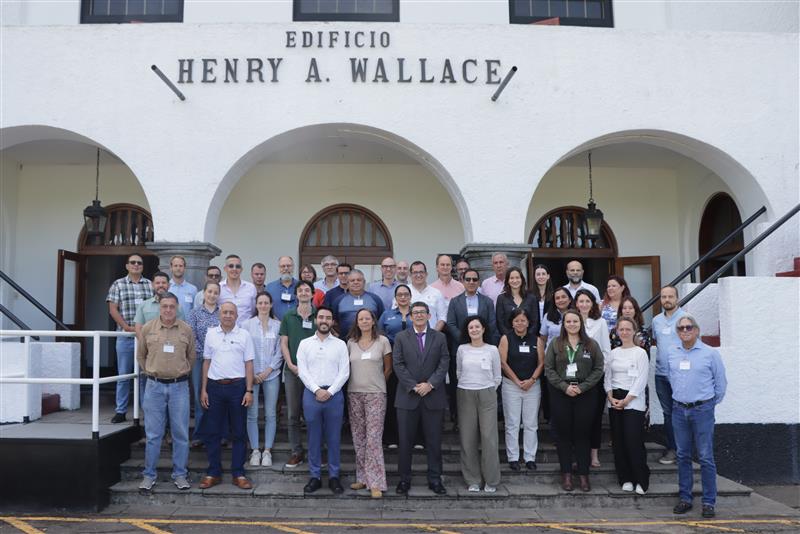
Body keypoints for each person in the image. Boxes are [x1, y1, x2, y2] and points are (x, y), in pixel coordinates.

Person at [670, 315, 727, 519]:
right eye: (681, 328)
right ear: (677, 332)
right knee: (682, 455)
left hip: (702, 410)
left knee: (705, 457)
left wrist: (707, 405)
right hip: (679, 410)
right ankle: (685, 498)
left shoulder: (710, 353)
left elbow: (720, 384)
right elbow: (671, 379)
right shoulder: (673, 353)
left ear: (696, 330)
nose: (685, 330)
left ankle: (708, 502)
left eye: (689, 327)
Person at [136, 293, 194, 491]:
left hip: (179, 387)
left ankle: (180, 475)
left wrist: (179, 372)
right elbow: (141, 356)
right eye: (164, 306)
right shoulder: (147, 328)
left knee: (181, 433)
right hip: (154, 387)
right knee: (153, 434)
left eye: (171, 306)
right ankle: (149, 475)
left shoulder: (186, 330)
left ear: (177, 308)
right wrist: (151, 371)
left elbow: (191, 357)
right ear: (159, 308)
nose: (168, 310)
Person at [393, 301, 450, 496]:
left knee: (434, 441)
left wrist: (430, 384)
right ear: (410, 317)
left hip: (433, 396)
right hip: (407, 396)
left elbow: (444, 362)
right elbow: (398, 364)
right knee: (405, 441)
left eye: (422, 312)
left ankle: (435, 479)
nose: (418, 315)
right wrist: (413, 385)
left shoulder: (440, 337)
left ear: (429, 315)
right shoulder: (401, 337)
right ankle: (404, 480)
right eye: (415, 312)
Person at [545, 309, 604, 492]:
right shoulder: (555, 344)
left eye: (575, 321)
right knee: (563, 435)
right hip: (561, 393)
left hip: (585, 394)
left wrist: (582, 387)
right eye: (568, 322)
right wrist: (565, 387)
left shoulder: (591, 344)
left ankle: (584, 475)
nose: (572, 324)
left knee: (582, 434)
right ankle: (567, 475)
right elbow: (549, 369)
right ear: (564, 324)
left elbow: (598, 369)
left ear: (581, 323)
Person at [198, 302, 254, 490]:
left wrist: (249, 390)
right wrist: (204, 389)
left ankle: (238, 473)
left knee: (239, 432)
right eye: (225, 312)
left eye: (231, 312)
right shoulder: (211, 334)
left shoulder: (244, 335)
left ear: (237, 316)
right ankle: (213, 472)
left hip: (238, 387)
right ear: (219, 315)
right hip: (214, 387)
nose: (228, 315)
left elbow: (249, 364)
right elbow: (206, 362)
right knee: (213, 432)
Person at [296, 306, 350, 494]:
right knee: (313, 437)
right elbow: (302, 371)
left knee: (334, 437)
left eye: (328, 318)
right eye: (321, 317)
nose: (324, 320)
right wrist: (317, 390)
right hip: (312, 394)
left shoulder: (340, 344)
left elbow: (345, 372)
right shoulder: (304, 344)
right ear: (315, 320)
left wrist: (331, 391)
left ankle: (334, 476)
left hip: (334, 395)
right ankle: (315, 476)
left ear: (332, 321)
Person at [346, 309, 392, 498]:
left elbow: (388, 368)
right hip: (354, 393)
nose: (364, 321)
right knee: (359, 437)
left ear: (373, 321)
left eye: (367, 318)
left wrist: (378, 384)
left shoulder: (383, 341)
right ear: (357, 322)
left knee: (373, 439)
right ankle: (363, 477)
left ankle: (376, 483)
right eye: (361, 319)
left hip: (376, 394)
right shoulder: (350, 343)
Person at [446, 269, 497, 428]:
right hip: (460, 349)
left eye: (474, 279)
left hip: (483, 348)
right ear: (462, 281)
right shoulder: (455, 302)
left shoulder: (487, 302)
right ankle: (458, 419)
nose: (471, 282)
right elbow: (451, 324)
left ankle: (484, 419)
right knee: (458, 383)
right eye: (468, 279)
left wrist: (478, 339)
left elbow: (491, 323)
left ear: (478, 282)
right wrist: (465, 339)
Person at [604, 317, 650, 496]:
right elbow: (607, 377)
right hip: (614, 400)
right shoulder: (613, 353)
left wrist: (627, 400)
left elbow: (641, 379)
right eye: (621, 329)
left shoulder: (640, 353)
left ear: (634, 331)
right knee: (619, 442)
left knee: (633, 441)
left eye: (628, 329)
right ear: (617, 331)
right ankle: (625, 478)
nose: (624, 332)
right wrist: (610, 397)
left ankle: (641, 479)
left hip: (633, 402)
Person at [456, 316, 502, 492]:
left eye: (477, 327)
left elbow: (497, 376)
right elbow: (459, 372)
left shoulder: (492, 349)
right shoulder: (462, 349)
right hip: (465, 392)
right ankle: (472, 479)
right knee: (468, 437)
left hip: (487, 393)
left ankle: (491, 479)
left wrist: (487, 389)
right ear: (467, 331)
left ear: (483, 329)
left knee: (489, 438)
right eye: (471, 327)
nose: (474, 330)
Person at [107, 254, 153, 423]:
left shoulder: (150, 285)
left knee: (144, 376)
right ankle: (121, 411)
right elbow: (113, 309)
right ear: (127, 266)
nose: (136, 265)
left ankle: (146, 411)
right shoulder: (118, 284)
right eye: (132, 262)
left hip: (145, 338)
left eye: (139, 263)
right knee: (124, 375)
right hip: (125, 336)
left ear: (142, 266)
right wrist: (126, 327)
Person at [499, 308, 543, 472]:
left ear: (528, 322)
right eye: (516, 320)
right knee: (512, 423)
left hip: (532, 386)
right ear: (512, 323)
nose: (520, 323)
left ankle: (530, 457)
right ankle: (513, 457)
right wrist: (517, 381)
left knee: (531, 423)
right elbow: (503, 363)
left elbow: (541, 363)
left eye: (523, 320)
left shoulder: (536, 340)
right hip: (511, 385)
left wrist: (532, 380)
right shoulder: (506, 338)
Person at [279, 281, 317, 468]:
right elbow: (284, 343)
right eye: (300, 290)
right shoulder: (288, 316)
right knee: (293, 414)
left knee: (314, 414)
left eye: (307, 290)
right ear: (296, 294)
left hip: (315, 373)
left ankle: (316, 451)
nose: (303, 293)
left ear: (312, 294)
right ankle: (296, 452)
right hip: (293, 372)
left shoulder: (319, 315)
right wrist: (290, 364)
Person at [242, 292, 283, 467]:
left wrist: (267, 371)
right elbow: (244, 350)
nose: (263, 305)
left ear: (271, 304)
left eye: (266, 302)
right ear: (256, 305)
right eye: (260, 302)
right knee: (252, 414)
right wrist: (253, 374)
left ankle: (267, 451)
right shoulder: (246, 325)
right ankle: (255, 450)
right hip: (251, 375)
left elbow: (280, 351)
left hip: (271, 374)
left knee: (270, 413)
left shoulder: (278, 325)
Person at [574, 289, 611, 468]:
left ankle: (594, 454)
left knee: (595, 417)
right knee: (577, 418)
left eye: (587, 301)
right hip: (575, 378)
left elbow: (606, 351)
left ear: (593, 303)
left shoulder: (601, 322)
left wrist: (598, 373)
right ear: (576, 303)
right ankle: (578, 453)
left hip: (596, 379)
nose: (584, 304)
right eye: (581, 301)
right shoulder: (571, 321)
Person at [651, 285, 686, 465]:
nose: (667, 300)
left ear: (677, 298)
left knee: (682, 412)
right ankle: (673, 448)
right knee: (668, 413)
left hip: (679, 374)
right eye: (664, 297)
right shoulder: (656, 321)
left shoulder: (686, 319)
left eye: (670, 296)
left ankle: (684, 451)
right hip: (661, 374)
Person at [378, 284, 413, 447]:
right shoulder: (387, 314)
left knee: (412, 395)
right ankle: (391, 437)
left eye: (406, 294)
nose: (403, 297)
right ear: (395, 298)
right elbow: (379, 335)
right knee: (392, 396)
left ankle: (413, 437)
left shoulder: (417, 313)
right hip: (391, 356)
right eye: (400, 295)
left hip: (413, 358)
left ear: (410, 297)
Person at [186, 280, 220, 447]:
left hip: (220, 360)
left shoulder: (222, 313)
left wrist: (215, 354)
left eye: (215, 292)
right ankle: (199, 435)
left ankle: (218, 434)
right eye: (209, 292)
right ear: (204, 293)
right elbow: (191, 336)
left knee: (217, 397)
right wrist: (206, 354)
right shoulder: (194, 313)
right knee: (201, 395)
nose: (212, 295)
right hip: (199, 359)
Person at [537, 286, 573, 423]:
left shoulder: (576, 315)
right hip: (552, 359)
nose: (561, 300)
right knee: (553, 393)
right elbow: (542, 339)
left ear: (570, 299)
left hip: (571, 359)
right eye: (557, 298)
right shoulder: (548, 316)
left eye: (563, 297)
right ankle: (553, 422)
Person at [333, 269, 384, 340]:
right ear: (347, 283)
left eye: (359, 280)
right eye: (352, 280)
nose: (356, 282)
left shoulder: (375, 299)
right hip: (345, 341)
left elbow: (381, 320)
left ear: (364, 282)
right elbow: (334, 322)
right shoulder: (339, 300)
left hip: (372, 340)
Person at [134, 271, 185, 337]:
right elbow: (138, 328)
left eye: (164, 283)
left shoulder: (177, 306)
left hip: (171, 342)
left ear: (169, 285)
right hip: (149, 342)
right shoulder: (143, 305)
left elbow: (182, 328)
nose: (161, 285)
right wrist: (143, 342)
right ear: (152, 285)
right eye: (157, 283)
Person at [495, 266, 540, 338]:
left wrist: (526, 337)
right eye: (512, 278)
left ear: (522, 279)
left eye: (517, 277)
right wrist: (511, 338)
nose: (515, 280)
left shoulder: (531, 298)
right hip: (508, 340)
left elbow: (535, 321)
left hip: (529, 339)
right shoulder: (501, 298)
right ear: (507, 280)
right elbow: (500, 322)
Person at [409, 261, 447, 331]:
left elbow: (442, 317)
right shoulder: (404, 292)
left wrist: (433, 334)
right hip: (409, 335)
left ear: (426, 274)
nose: (418, 275)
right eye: (415, 272)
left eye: (421, 272)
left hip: (432, 334)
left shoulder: (436, 293)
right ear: (410, 275)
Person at [219, 254, 257, 325]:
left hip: (246, 330)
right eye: (231, 266)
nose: (234, 269)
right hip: (225, 329)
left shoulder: (251, 288)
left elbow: (254, 311)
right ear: (225, 269)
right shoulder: (219, 288)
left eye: (238, 266)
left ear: (241, 269)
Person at [266, 256, 298, 320]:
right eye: (283, 266)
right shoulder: (269, 288)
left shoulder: (301, 286)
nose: (286, 268)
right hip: (276, 325)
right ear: (279, 268)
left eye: (289, 266)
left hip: (297, 324)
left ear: (293, 267)